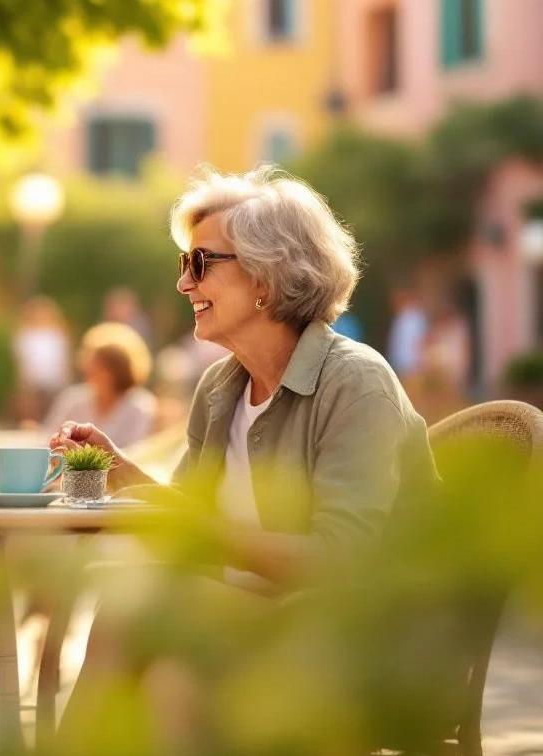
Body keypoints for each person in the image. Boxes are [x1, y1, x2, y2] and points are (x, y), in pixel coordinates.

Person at [51, 165, 437, 744]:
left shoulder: (355, 382)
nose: (184, 285)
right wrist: (123, 473)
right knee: (168, 678)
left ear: (266, 277)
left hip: (359, 645)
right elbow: (193, 517)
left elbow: (339, 559)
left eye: (200, 263)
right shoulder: (221, 389)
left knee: (135, 614)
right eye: (184, 265)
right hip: (255, 624)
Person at [43, 322, 157, 448]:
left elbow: (134, 451)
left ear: (118, 370)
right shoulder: (73, 400)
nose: (89, 369)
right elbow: (48, 441)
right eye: (90, 362)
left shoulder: (139, 404)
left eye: (100, 366)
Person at [12, 296, 72, 423]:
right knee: (33, 414)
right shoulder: (25, 335)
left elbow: (63, 360)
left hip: (54, 382)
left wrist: (65, 379)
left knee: (54, 413)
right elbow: (22, 362)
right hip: (33, 383)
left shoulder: (57, 334)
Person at [387, 286, 427, 379]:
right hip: (399, 364)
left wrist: (418, 364)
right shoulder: (401, 316)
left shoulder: (416, 316)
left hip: (411, 366)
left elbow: (419, 340)